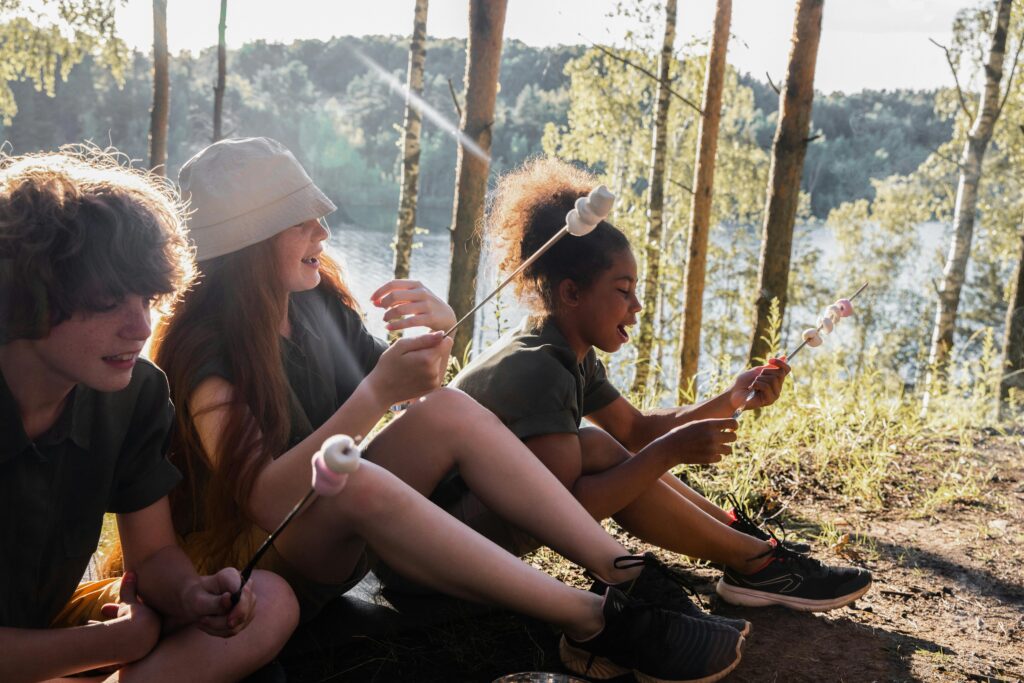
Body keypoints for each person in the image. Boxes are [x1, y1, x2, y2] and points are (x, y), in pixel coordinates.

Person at [156, 136, 749, 683]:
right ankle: (596, 621)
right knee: (356, 479)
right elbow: (266, 499)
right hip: (259, 562)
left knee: (448, 409)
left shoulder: (311, 304)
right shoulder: (205, 352)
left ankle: (629, 576)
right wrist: (376, 395)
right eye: (298, 220)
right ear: (248, 241)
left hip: (333, 537)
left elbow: (415, 394)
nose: (323, 231)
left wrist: (437, 334)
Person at [449, 156, 873, 612]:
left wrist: (729, 398)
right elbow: (570, 509)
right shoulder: (540, 368)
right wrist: (669, 452)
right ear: (572, 293)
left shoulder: (563, 347)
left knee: (595, 446)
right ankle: (756, 563)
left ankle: (748, 547)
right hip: (446, 548)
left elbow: (633, 429)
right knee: (598, 451)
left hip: (471, 526)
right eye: (623, 290)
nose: (637, 306)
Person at [0, 147, 299, 682]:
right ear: (30, 294)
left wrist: (191, 594)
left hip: (48, 630)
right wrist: (115, 641)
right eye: (110, 300)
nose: (140, 328)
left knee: (271, 600)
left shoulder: (133, 392)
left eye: (150, 298)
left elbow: (155, 553)